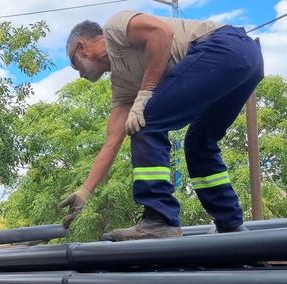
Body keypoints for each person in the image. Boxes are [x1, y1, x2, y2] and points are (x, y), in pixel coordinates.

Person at [59, 11, 263, 240]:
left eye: (75, 66)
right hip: (248, 62)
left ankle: (159, 219)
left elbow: (161, 32)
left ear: (82, 47)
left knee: (144, 121)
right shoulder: (122, 85)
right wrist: (85, 192)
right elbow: (112, 142)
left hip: (226, 47)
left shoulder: (115, 29)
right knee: (199, 144)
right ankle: (230, 223)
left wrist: (145, 93)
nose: (80, 75)